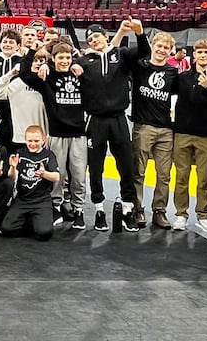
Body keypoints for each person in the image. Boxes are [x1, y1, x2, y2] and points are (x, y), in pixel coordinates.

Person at [74, 19, 148, 233]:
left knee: (126, 164)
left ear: (106, 36)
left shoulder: (121, 55)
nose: (93, 41)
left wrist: (139, 32)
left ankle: (128, 208)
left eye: (96, 36)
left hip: (118, 118)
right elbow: (69, 67)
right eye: (89, 39)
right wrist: (74, 66)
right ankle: (98, 209)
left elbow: (144, 52)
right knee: (96, 166)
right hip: (95, 120)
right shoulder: (85, 61)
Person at [19, 42, 88, 229]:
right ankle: (55, 206)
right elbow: (25, 73)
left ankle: (78, 209)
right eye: (61, 58)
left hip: (79, 133)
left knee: (79, 174)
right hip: (57, 133)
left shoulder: (79, 74)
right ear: (54, 59)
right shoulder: (46, 77)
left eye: (68, 58)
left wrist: (80, 65)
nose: (65, 61)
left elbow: (94, 67)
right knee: (58, 173)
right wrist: (33, 52)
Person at [172, 38, 207, 232]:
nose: (203, 55)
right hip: (182, 133)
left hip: (206, 135)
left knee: (204, 179)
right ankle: (181, 214)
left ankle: (203, 215)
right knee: (181, 177)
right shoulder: (184, 77)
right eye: (199, 52)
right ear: (193, 55)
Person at [129, 32, 180, 229]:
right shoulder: (140, 65)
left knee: (164, 174)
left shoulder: (172, 72)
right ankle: (137, 208)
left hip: (166, 129)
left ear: (170, 51)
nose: (161, 50)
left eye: (166, 48)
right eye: (159, 46)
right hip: (143, 126)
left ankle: (159, 211)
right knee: (138, 171)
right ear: (152, 45)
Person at [0, 125, 60, 241]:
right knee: (7, 229)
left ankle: (41, 219)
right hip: (23, 199)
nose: (33, 144)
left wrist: (44, 174)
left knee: (44, 233)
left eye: (36, 141)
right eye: (30, 141)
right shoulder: (20, 153)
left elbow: (56, 177)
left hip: (41, 200)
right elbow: (12, 177)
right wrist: (13, 167)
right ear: (25, 140)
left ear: (43, 140)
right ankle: (30, 220)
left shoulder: (48, 155)